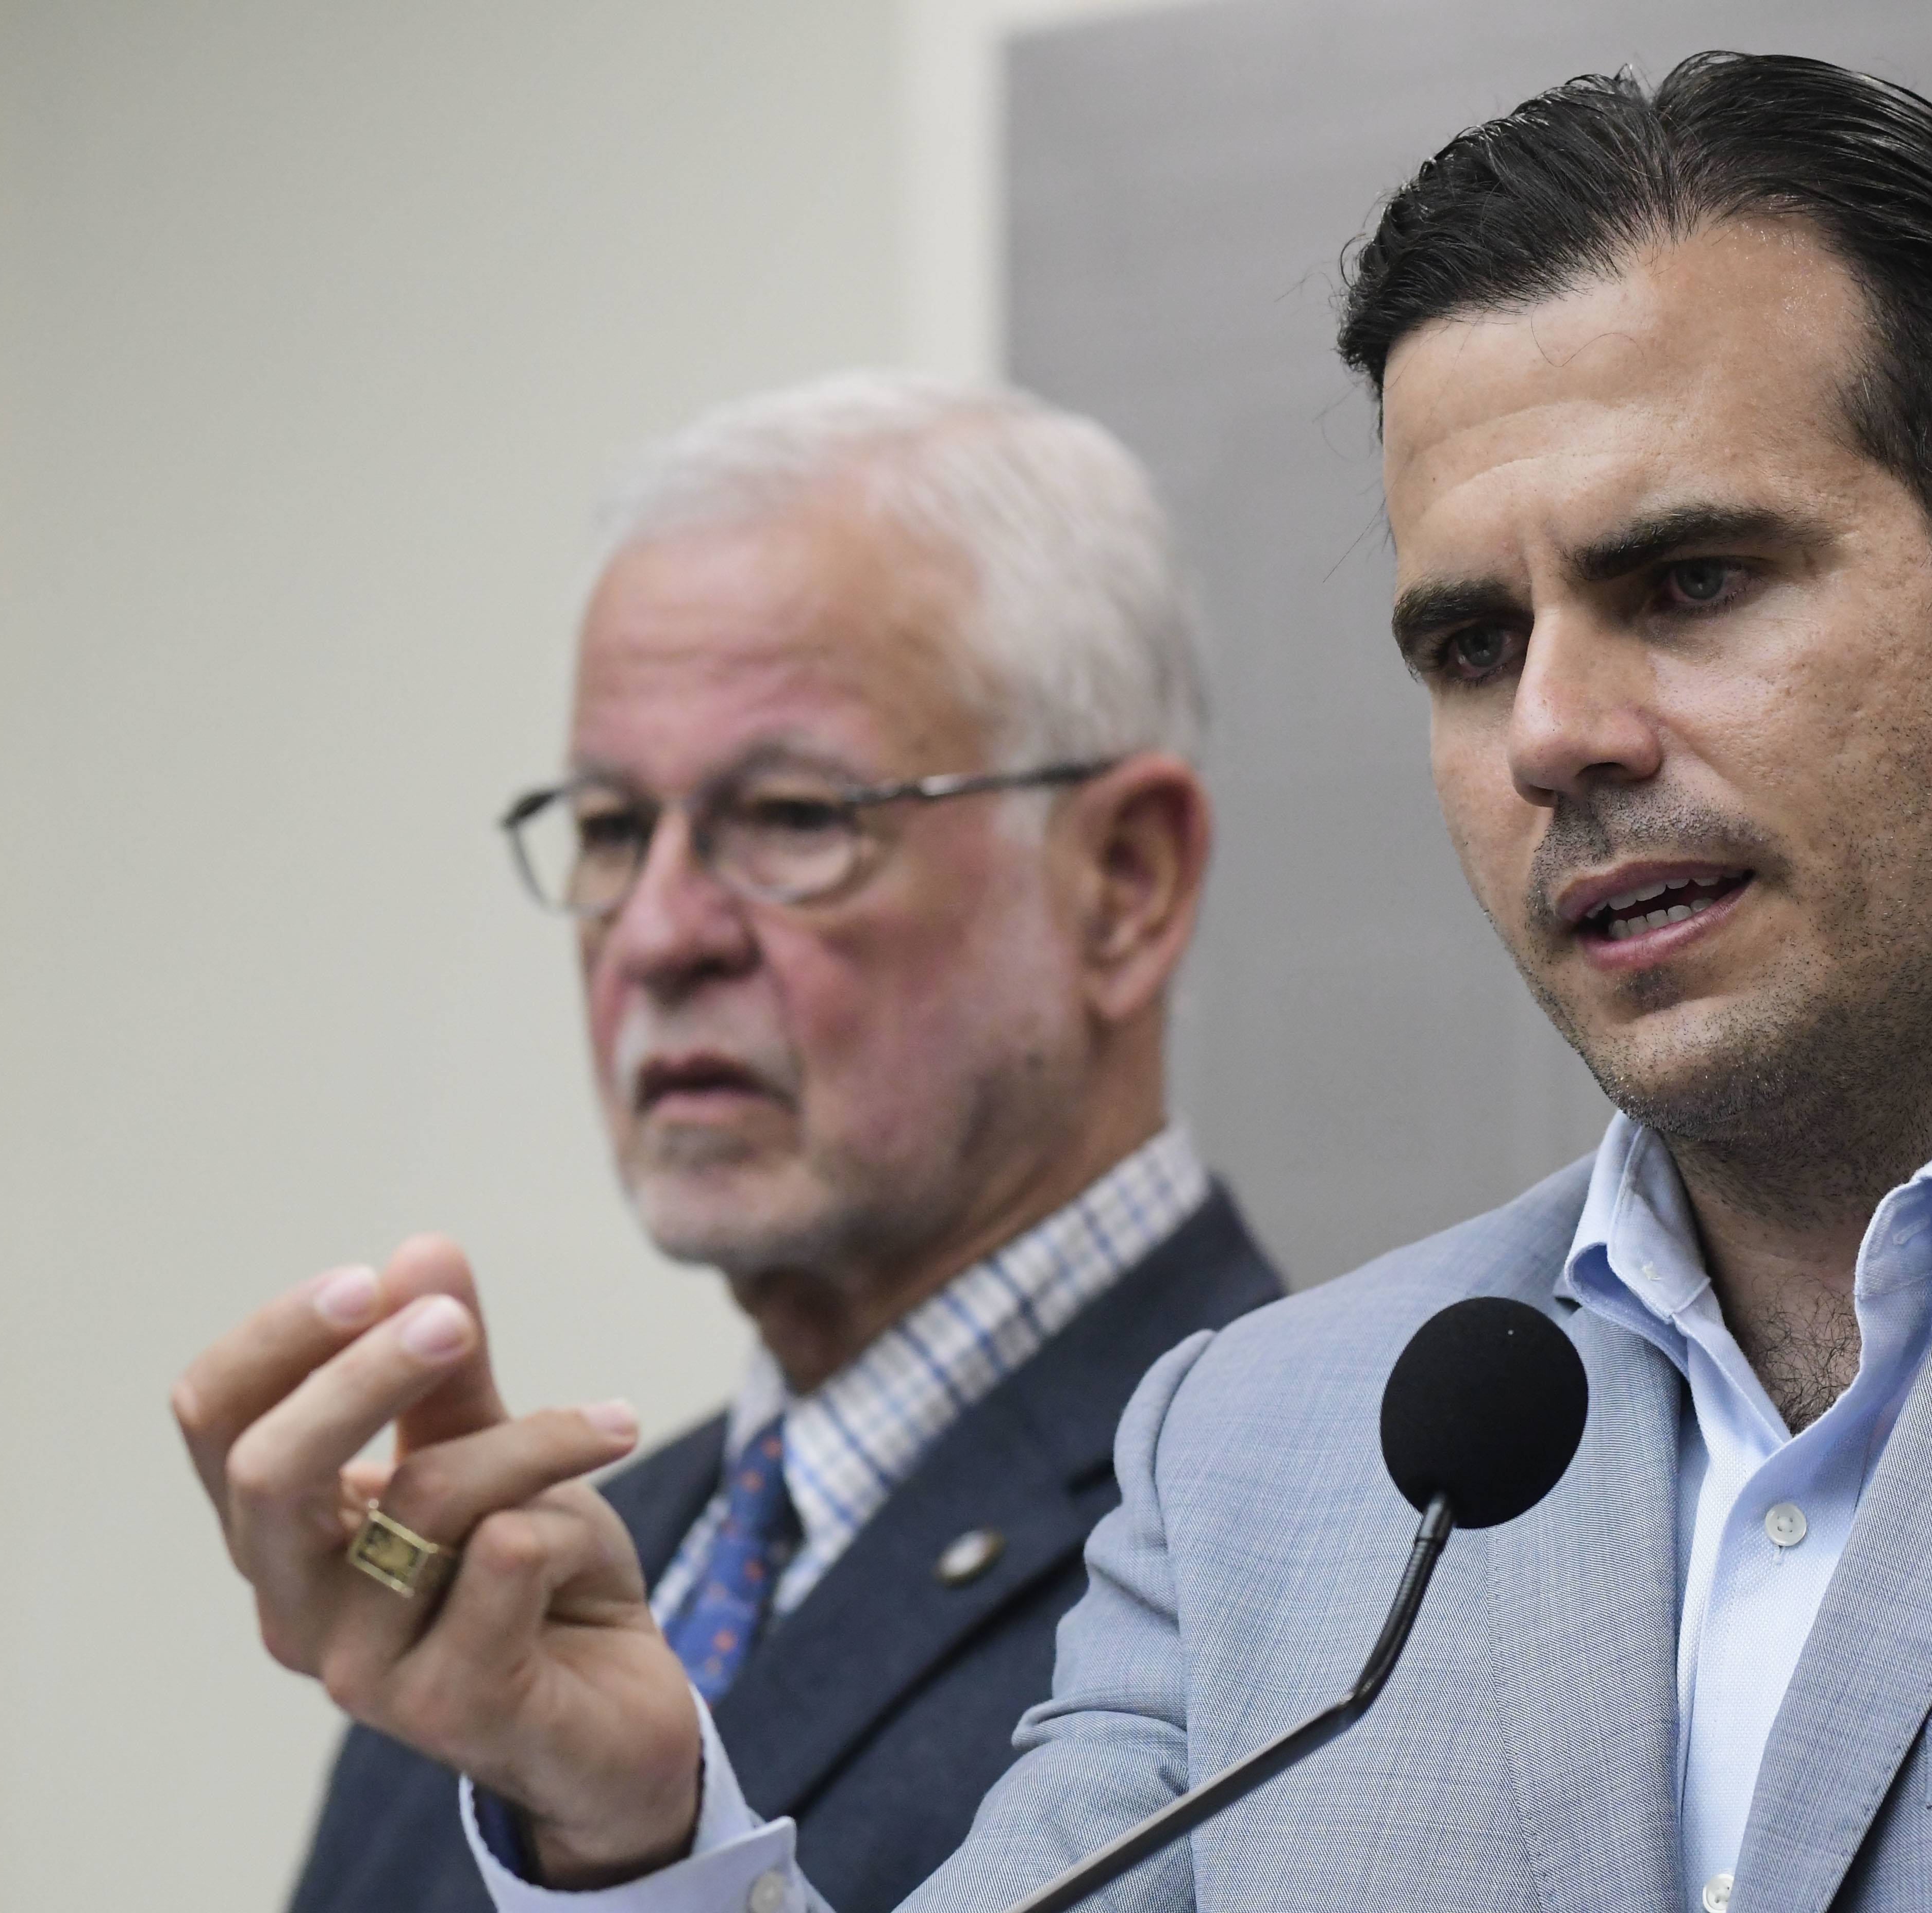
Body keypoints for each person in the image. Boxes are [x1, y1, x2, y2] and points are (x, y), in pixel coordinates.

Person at [181, 55, 1932, 1912]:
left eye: (1690, 580)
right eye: (1462, 636)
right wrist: (630, 1816)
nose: (1554, 732)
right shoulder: (1292, 1453)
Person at [230, 370, 1283, 1913]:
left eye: (791, 816)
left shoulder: (1325, 1561)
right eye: (606, 828)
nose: (657, 935)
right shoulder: (502, 1587)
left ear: (1121, 883)